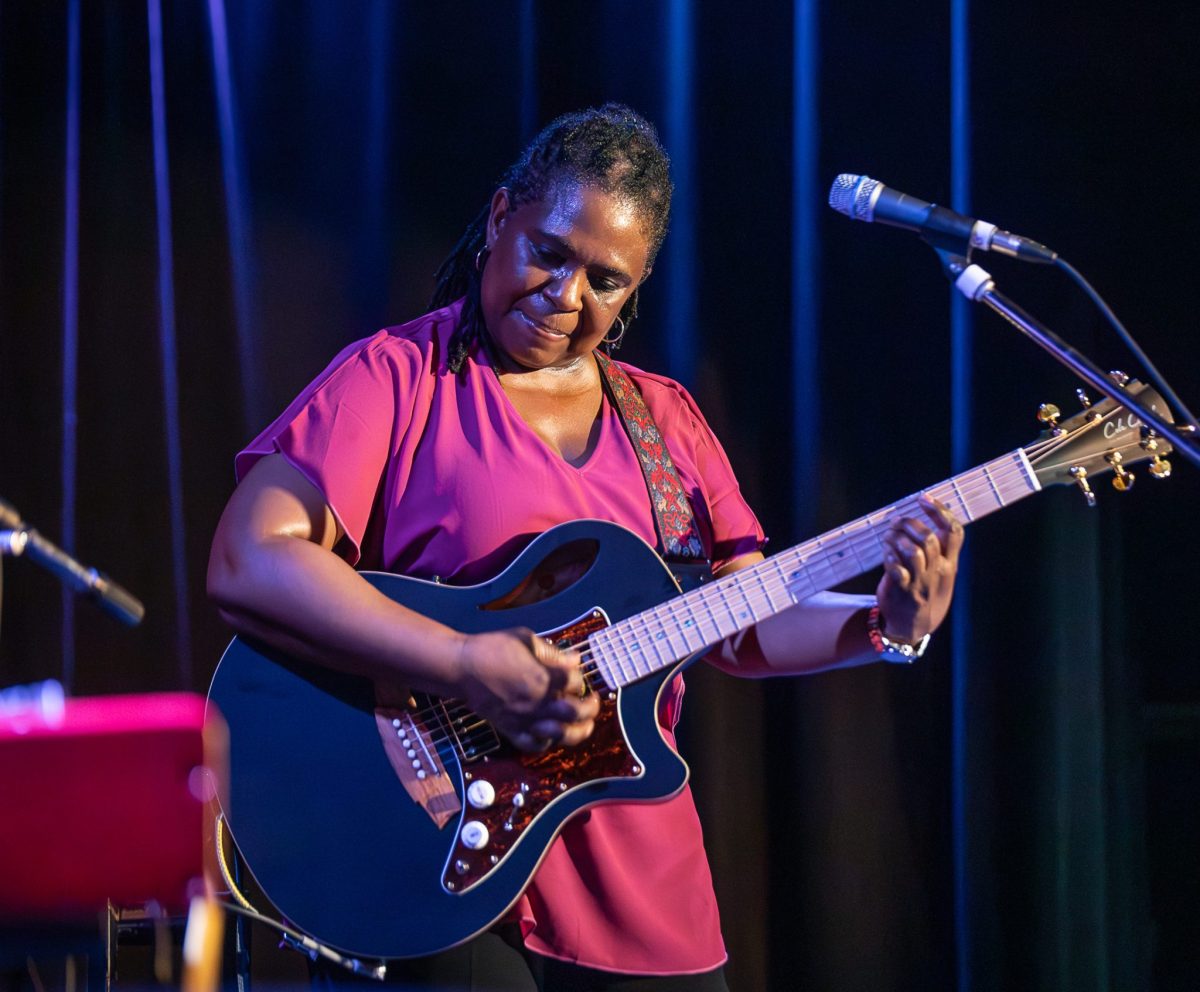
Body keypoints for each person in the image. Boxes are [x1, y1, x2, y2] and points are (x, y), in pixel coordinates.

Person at [207, 104, 962, 991]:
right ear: (499, 219)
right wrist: (460, 661)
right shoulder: (398, 378)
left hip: (641, 890)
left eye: (605, 281)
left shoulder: (666, 419)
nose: (567, 297)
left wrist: (884, 622)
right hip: (436, 852)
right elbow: (250, 560)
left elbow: (742, 620)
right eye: (550, 253)